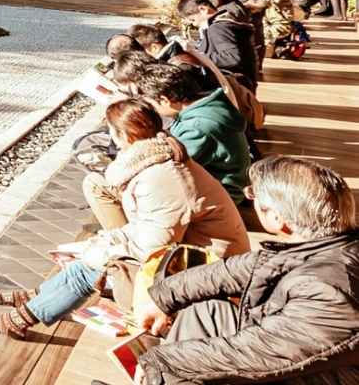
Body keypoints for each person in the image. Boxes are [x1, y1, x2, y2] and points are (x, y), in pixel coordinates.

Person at [0, 99, 249, 339]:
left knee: (91, 267)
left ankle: (23, 317)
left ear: (124, 135)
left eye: (112, 131)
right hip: (194, 257)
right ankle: (36, 299)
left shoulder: (162, 177)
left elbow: (154, 245)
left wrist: (107, 247)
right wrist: (107, 241)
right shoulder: (157, 159)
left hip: (207, 274)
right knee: (94, 253)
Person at [131, 155, 359, 385]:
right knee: (207, 312)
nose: (250, 198)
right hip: (293, 354)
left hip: (308, 372)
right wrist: (161, 298)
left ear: (278, 219)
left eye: (253, 195)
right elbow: (233, 270)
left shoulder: (330, 289)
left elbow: (260, 353)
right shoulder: (323, 246)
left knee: (186, 364)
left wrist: (163, 360)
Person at [137, 62, 251, 199]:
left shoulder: (196, 127)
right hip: (231, 183)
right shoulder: (210, 106)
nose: (154, 111)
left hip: (225, 193)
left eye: (153, 105)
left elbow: (174, 167)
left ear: (164, 100)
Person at [177, 0, 259, 91]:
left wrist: (198, 58)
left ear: (203, 9)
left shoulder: (218, 28)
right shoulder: (221, 24)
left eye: (192, 20)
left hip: (233, 86)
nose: (194, 24)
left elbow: (231, 57)